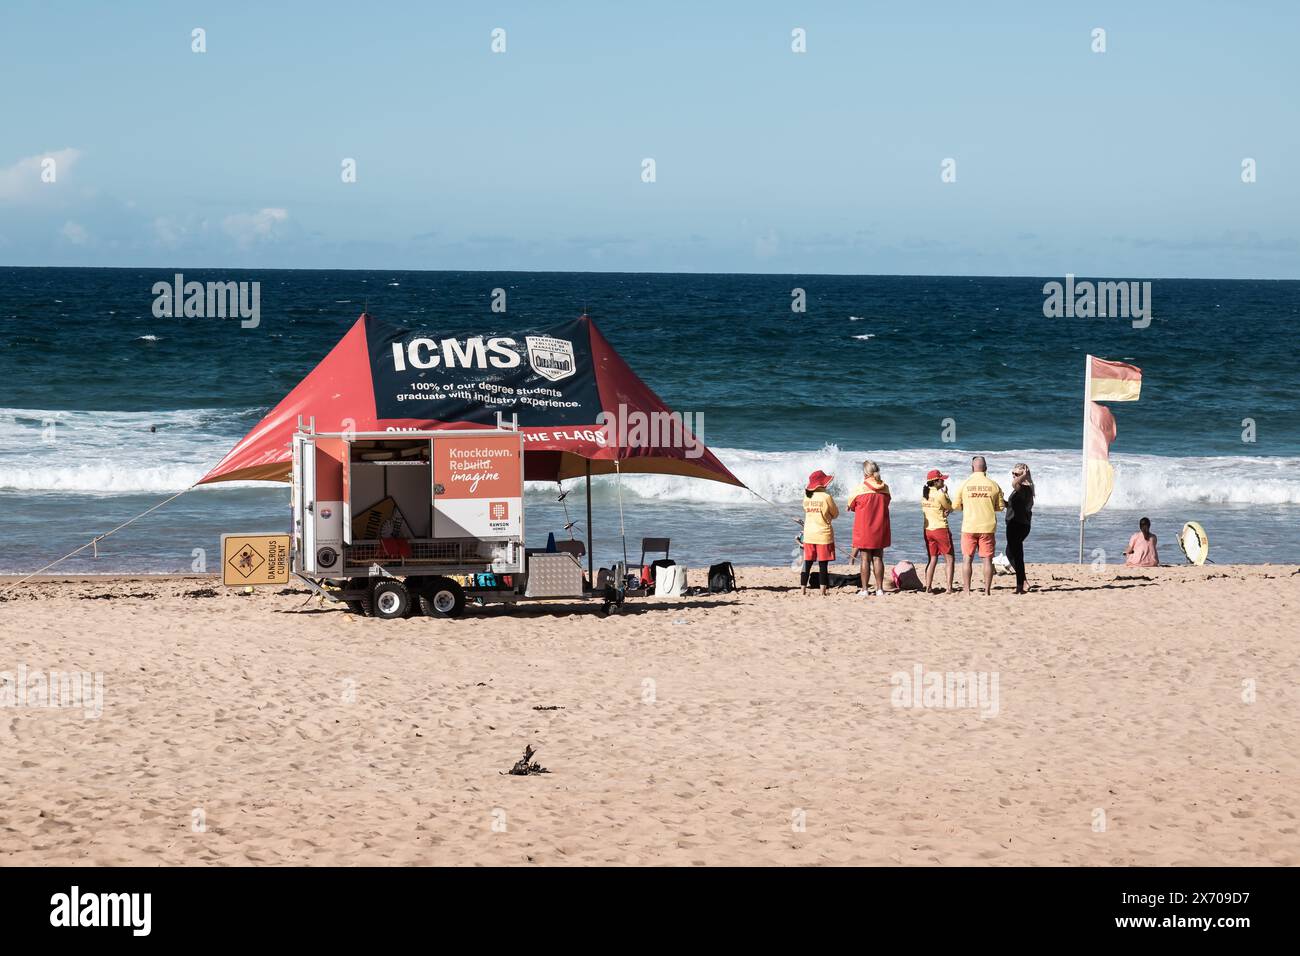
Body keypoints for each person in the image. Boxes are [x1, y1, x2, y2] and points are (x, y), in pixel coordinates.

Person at [950, 455, 1005, 595]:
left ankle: (967, 590)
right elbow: (1000, 507)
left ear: (972, 468)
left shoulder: (965, 484)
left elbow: (955, 506)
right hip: (987, 526)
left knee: (967, 559)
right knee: (987, 560)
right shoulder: (993, 484)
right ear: (986, 468)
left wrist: (966, 506)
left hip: (969, 526)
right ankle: (986, 591)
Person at [847, 460, 891, 595]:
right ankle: (879, 589)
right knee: (878, 558)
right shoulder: (885, 488)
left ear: (865, 473)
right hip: (880, 526)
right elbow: (887, 503)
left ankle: (865, 589)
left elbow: (851, 506)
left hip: (864, 527)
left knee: (865, 559)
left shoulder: (859, 489)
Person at [800, 470, 839, 595]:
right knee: (823, 564)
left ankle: (802, 589)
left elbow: (806, 510)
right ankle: (823, 591)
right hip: (823, 534)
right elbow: (835, 514)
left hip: (809, 533)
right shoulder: (826, 497)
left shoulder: (807, 496)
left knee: (807, 562)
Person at [920, 468, 955, 594]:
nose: (944, 481)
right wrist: (946, 493)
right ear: (935, 482)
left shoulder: (925, 495)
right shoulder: (940, 494)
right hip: (940, 528)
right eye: (941, 480)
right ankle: (949, 588)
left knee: (932, 558)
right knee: (949, 559)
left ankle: (928, 586)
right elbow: (950, 506)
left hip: (928, 530)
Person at [1004, 463, 1034, 594]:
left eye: (1016, 474)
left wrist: (1023, 476)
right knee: (1012, 553)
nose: (1013, 476)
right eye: (1013, 473)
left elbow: (1014, 484)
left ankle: (1021, 585)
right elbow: (1013, 506)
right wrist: (1003, 503)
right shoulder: (1022, 489)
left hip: (1017, 524)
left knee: (1016, 555)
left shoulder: (1023, 488)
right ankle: (1022, 583)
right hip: (1019, 524)